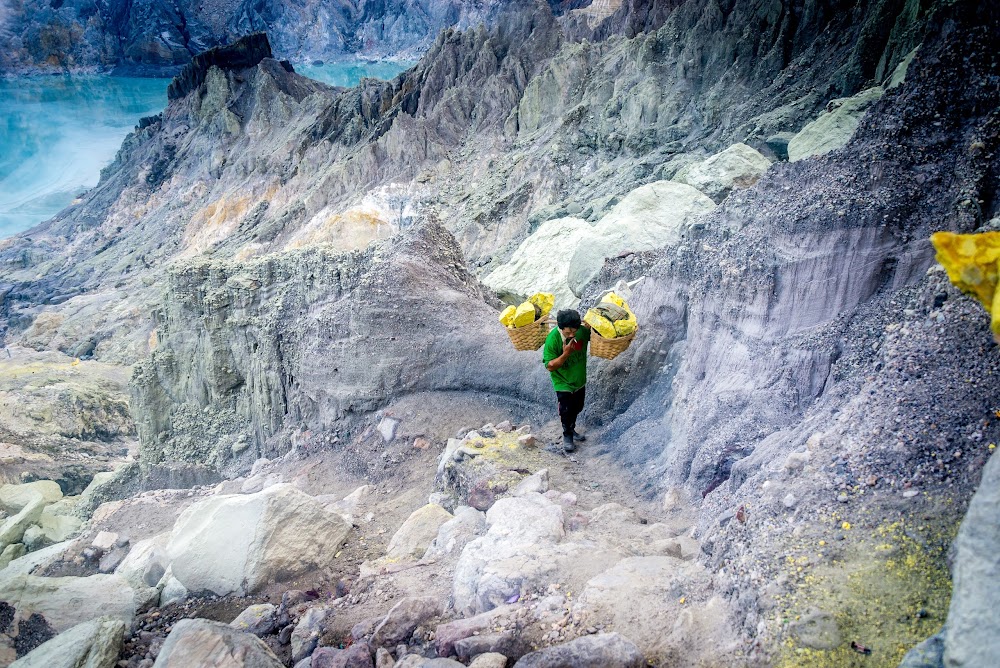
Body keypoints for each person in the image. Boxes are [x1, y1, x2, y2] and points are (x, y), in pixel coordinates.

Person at [542, 309, 591, 452]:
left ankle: (572, 428)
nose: (571, 335)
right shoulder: (553, 339)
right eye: (567, 332)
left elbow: (596, 334)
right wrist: (566, 354)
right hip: (562, 381)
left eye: (574, 332)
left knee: (578, 407)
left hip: (579, 379)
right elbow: (550, 366)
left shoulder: (582, 331)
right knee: (566, 410)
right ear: (560, 327)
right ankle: (567, 435)